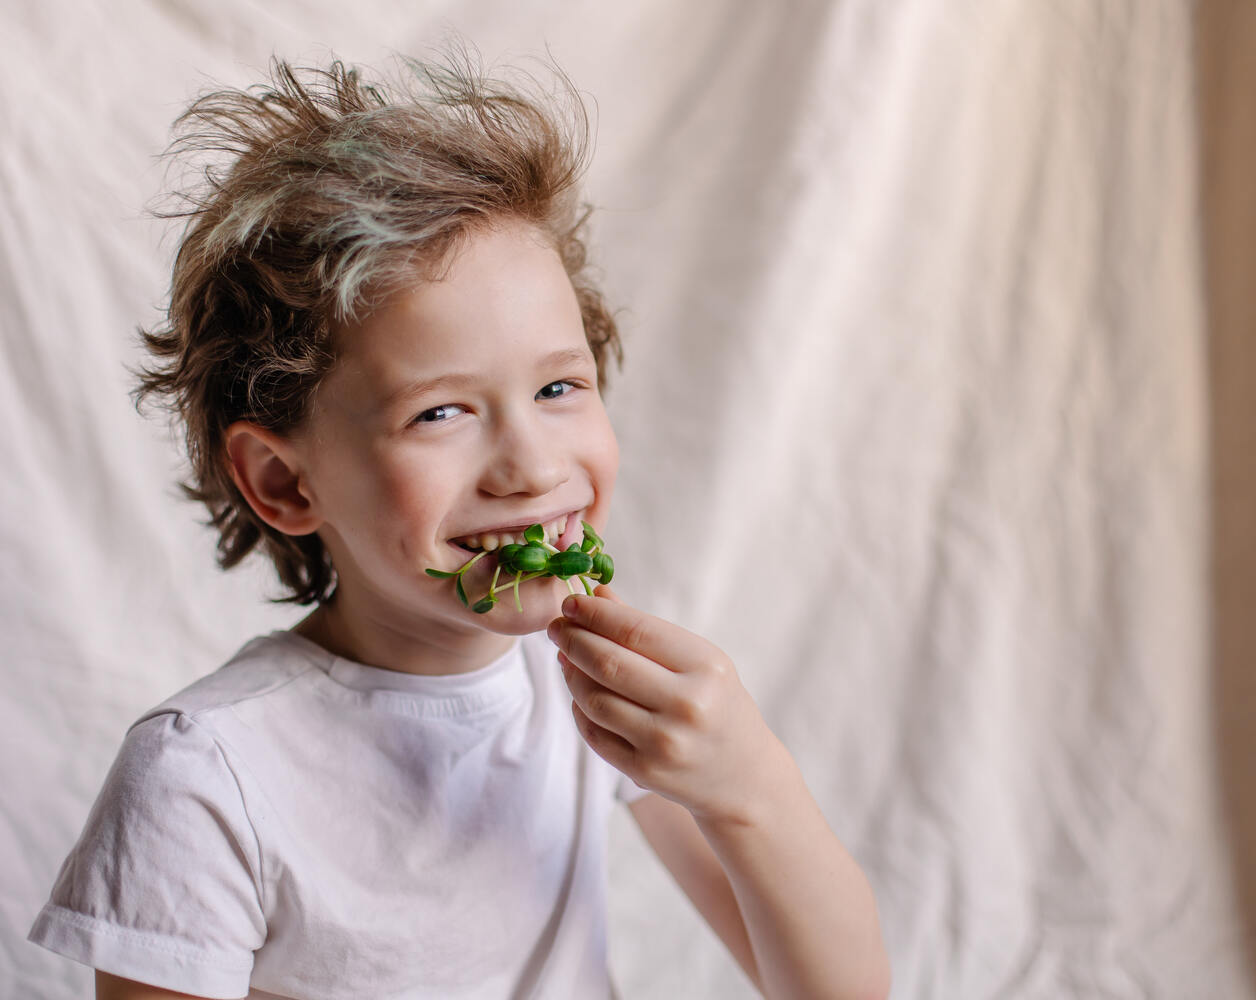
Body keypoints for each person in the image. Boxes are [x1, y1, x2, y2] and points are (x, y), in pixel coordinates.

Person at [28, 50, 889, 1000]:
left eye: (560, 387)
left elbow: (836, 991)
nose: (533, 466)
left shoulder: (586, 693)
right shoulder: (205, 775)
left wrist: (752, 785)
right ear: (282, 481)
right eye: (440, 412)